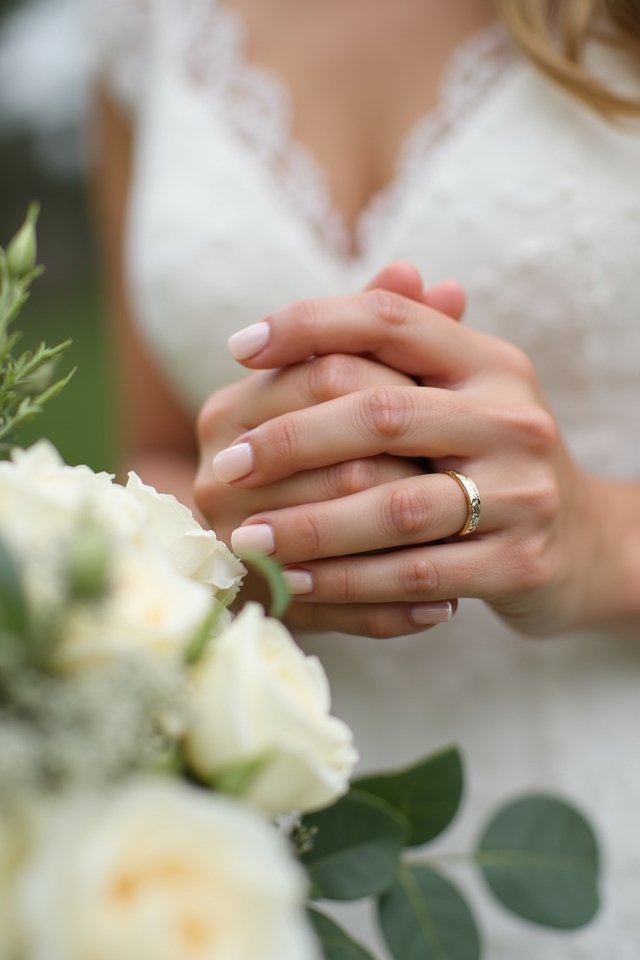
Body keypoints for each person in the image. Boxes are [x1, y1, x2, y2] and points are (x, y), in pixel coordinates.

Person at [88, 0, 640, 955]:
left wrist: (597, 537)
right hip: (268, 854)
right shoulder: (135, 25)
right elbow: (153, 446)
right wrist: (233, 538)